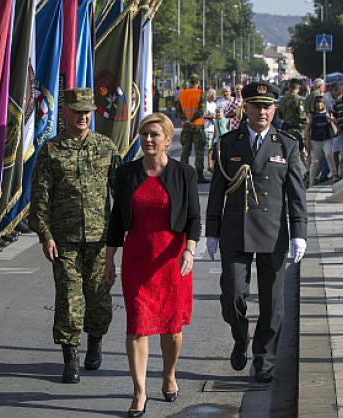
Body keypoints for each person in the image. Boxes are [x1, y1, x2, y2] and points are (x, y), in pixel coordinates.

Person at [206, 81, 307, 384]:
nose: (261, 111)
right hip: (236, 230)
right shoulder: (228, 143)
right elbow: (217, 189)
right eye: (255, 105)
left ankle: (264, 361)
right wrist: (212, 230)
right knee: (233, 295)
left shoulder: (286, 144)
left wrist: (299, 232)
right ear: (244, 107)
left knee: (273, 304)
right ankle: (240, 337)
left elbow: (297, 193)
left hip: (273, 232)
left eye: (267, 106)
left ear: (274, 108)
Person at [105, 112, 200, 416]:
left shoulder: (184, 173)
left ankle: (169, 375)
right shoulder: (126, 173)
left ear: (168, 140)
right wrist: (109, 260)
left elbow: (194, 217)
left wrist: (190, 250)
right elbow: (117, 219)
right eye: (144, 133)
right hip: (137, 258)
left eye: (155, 134)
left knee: (172, 329)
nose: (148, 139)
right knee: (137, 326)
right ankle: (139, 391)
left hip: (172, 258)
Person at [29, 88, 121, 384]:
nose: (83, 117)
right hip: (64, 239)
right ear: (65, 112)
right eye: (77, 111)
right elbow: (40, 197)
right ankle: (70, 358)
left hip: (99, 240)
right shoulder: (51, 150)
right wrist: (45, 235)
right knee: (69, 299)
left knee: (98, 298)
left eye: (87, 112)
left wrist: (123, 233)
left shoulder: (106, 148)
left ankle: (95, 342)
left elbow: (120, 194)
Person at [176, 74, 209, 183]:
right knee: (199, 150)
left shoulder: (182, 94)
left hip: (186, 126)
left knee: (185, 150)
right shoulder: (200, 93)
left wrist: (186, 119)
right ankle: (199, 174)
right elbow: (201, 111)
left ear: (189, 82)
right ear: (198, 82)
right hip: (197, 125)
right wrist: (192, 119)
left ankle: (183, 174)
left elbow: (178, 111)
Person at [305, 94, 336, 185]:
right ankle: (312, 181)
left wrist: (331, 119)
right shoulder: (312, 115)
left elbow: (335, 122)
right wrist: (307, 141)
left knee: (329, 155)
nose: (319, 105)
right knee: (315, 161)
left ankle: (334, 175)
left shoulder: (328, 112)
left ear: (324, 104)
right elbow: (307, 128)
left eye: (321, 103)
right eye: (317, 103)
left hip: (327, 139)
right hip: (315, 141)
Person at [203, 88, 218, 174]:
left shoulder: (215, 104)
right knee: (209, 149)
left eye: (215, 95)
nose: (215, 96)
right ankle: (209, 166)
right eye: (213, 95)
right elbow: (203, 114)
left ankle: (211, 165)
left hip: (214, 128)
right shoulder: (205, 104)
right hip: (207, 128)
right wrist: (210, 117)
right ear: (209, 95)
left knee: (213, 148)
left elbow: (216, 115)